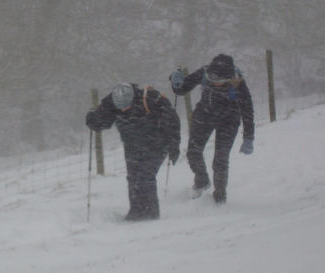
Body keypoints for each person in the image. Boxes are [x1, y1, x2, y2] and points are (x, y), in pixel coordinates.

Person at [86, 83, 180, 220]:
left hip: (157, 144)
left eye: (127, 105)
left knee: (146, 176)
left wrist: (174, 145)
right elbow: (103, 121)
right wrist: (93, 120)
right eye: (120, 107)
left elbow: (173, 121)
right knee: (133, 177)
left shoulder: (152, 99)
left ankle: (150, 214)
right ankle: (136, 211)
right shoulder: (111, 102)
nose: (124, 109)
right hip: (132, 146)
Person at [169, 53, 255, 203]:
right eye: (212, 79)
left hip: (229, 120)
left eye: (219, 81)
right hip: (204, 115)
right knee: (193, 152)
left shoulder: (237, 82)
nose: (215, 83)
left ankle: (219, 197)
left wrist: (248, 137)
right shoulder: (204, 72)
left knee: (220, 160)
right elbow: (182, 89)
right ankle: (202, 181)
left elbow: (247, 110)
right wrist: (176, 81)